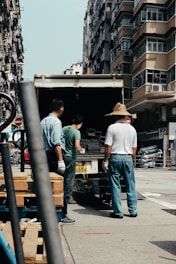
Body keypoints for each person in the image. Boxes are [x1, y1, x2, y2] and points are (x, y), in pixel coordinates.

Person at [40, 98, 75, 224]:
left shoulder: (43, 121)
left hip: (43, 155)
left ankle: (47, 213)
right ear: (61, 109)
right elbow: (56, 143)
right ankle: (61, 215)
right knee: (60, 187)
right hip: (54, 157)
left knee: (47, 186)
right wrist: (60, 160)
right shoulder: (56, 122)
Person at [102, 102, 138, 219]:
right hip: (128, 157)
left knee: (115, 185)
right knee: (130, 185)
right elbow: (134, 148)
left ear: (115, 116)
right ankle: (133, 211)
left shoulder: (112, 128)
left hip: (115, 157)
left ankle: (118, 212)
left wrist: (105, 160)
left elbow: (108, 146)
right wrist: (131, 159)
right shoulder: (132, 129)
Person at [63, 114, 85, 204]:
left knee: (63, 177)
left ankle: (61, 194)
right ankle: (67, 197)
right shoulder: (76, 132)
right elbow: (77, 145)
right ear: (80, 124)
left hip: (63, 155)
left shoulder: (64, 129)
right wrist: (81, 149)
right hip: (71, 156)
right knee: (70, 178)